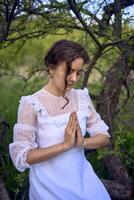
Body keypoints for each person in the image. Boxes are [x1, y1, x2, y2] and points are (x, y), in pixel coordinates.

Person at [9, 39, 112, 200]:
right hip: (48, 188)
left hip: (84, 181)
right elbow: (23, 157)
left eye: (78, 73)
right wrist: (64, 145)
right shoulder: (32, 104)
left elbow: (104, 136)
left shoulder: (82, 98)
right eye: (69, 71)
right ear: (51, 68)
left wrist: (82, 143)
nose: (74, 79)